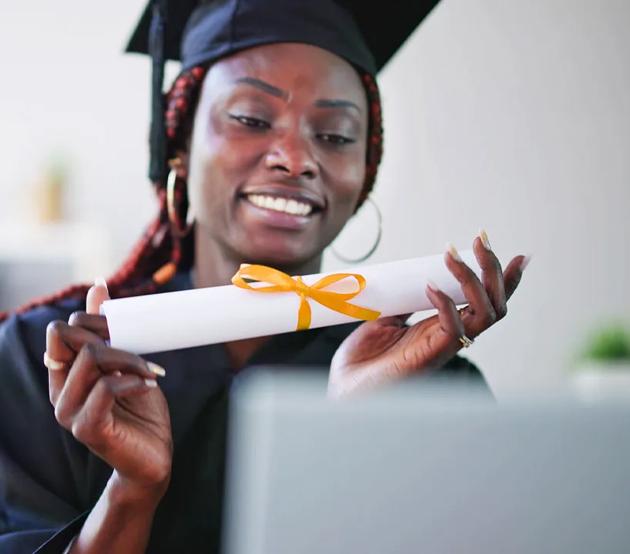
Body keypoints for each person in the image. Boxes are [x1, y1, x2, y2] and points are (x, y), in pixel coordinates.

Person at [0, 0, 528, 552]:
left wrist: (354, 435)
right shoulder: (51, 367)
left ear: (366, 173)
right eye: (251, 119)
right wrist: (131, 492)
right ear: (178, 144)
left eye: (335, 135)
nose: (296, 158)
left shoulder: (433, 386)